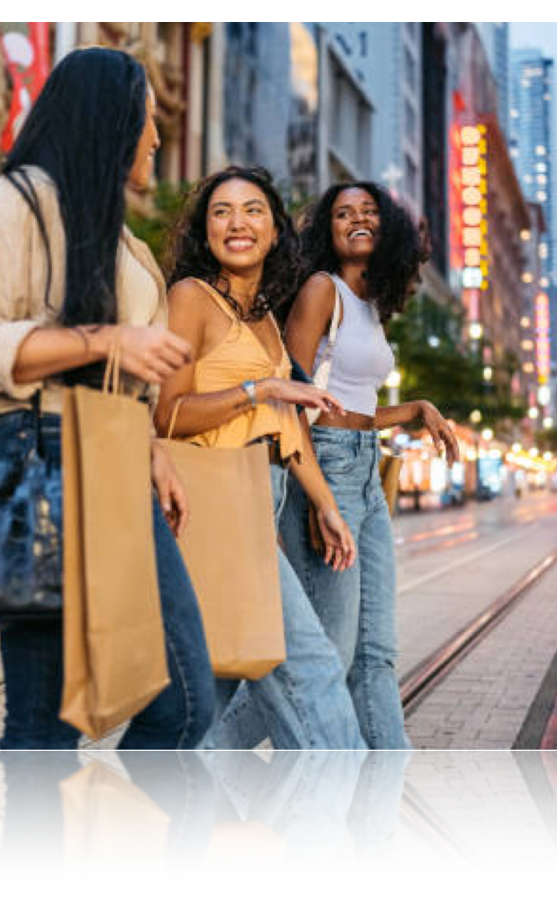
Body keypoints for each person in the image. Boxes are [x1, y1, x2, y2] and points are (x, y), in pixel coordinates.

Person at [0, 47, 215, 879]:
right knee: (43, 737)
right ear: (110, 119)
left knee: (183, 715)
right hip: (38, 461)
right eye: (147, 119)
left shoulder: (122, 238)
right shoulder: (15, 203)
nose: (159, 136)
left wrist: (153, 452)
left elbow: (125, 378)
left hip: (115, 467)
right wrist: (109, 338)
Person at [154, 166, 367, 877]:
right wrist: (256, 388)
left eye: (252, 210)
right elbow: (166, 413)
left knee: (201, 713)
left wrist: (328, 506)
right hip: (214, 506)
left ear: (277, 228)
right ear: (205, 228)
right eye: (221, 211)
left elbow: (291, 430)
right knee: (323, 703)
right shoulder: (190, 299)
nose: (237, 223)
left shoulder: (266, 319)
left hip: (262, 500)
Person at [276, 181, 459, 880]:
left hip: (364, 467)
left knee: (376, 655)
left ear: (389, 234)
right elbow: (295, 400)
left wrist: (414, 405)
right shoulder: (320, 288)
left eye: (370, 215)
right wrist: (320, 498)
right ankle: (317, 851)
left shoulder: (370, 303)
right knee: (333, 661)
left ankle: (373, 855)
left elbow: (354, 406)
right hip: (324, 469)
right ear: (328, 227)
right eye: (344, 213)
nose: (358, 221)